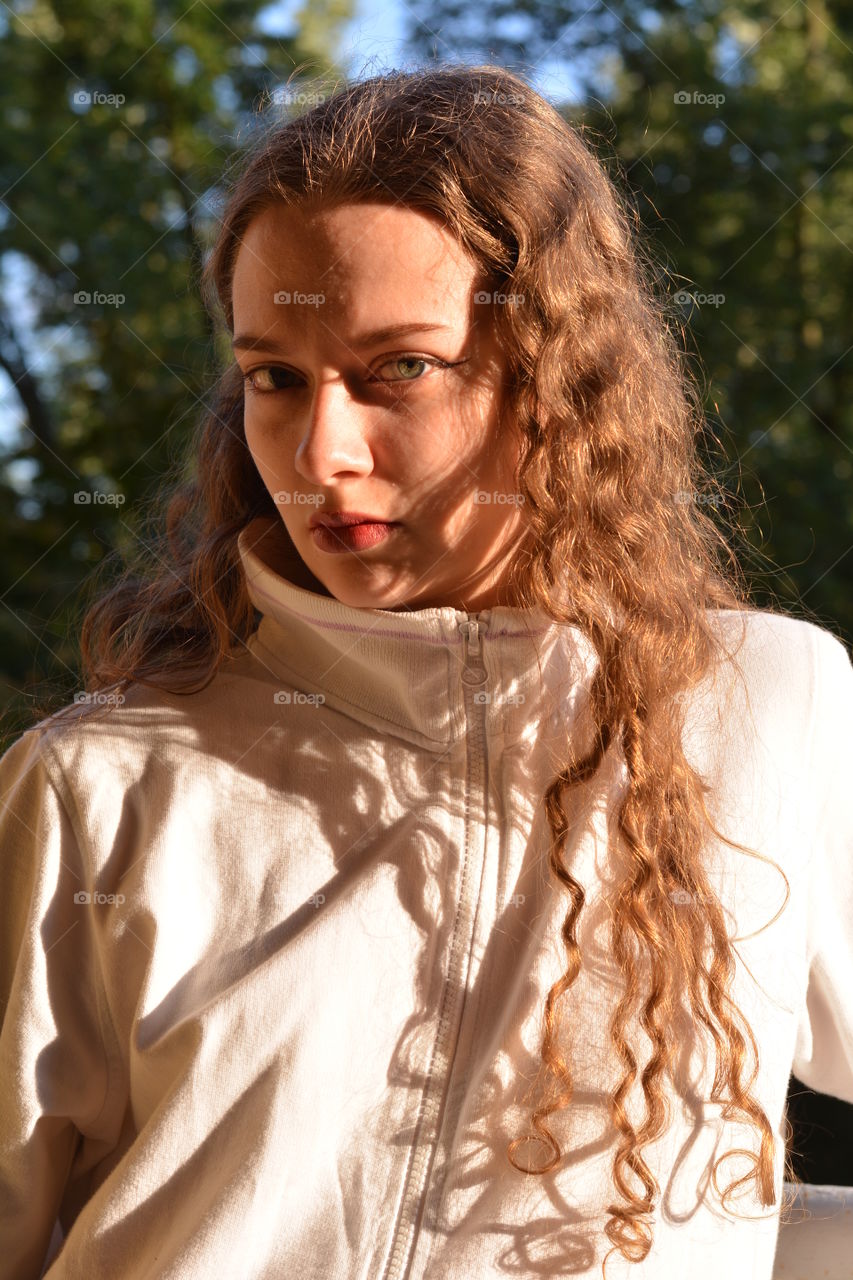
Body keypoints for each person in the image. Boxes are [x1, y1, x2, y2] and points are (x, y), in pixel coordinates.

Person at [1, 64, 851, 1280]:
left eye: (398, 366)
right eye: (274, 377)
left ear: (556, 377)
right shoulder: (100, 785)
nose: (321, 451)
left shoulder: (769, 702)